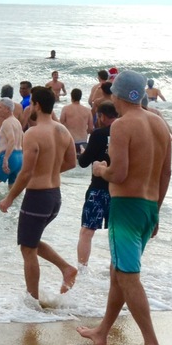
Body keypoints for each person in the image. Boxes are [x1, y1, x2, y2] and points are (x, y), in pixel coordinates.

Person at [78, 70, 171, 345]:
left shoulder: (121, 126)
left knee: (128, 276)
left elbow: (118, 173)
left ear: (116, 95)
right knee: (118, 272)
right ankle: (102, 331)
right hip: (147, 207)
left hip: (126, 209)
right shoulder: (158, 123)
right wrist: (156, 211)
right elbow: (165, 172)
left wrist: (99, 170)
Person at [0, 86, 79, 300]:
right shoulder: (63, 130)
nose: (29, 107)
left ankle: (32, 300)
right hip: (54, 197)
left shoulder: (33, 133)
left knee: (27, 249)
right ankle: (66, 268)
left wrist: (9, 198)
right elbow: (72, 162)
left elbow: (26, 173)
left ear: (38, 105)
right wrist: (50, 170)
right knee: (30, 241)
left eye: (31, 102)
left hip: (38, 197)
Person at [76, 103, 118, 266]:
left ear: (102, 116)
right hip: (120, 190)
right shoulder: (126, 132)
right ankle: (116, 268)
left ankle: (82, 269)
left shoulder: (98, 134)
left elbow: (85, 162)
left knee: (87, 230)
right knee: (117, 233)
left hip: (99, 189)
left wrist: (81, 154)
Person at [0, 112, 25, 193]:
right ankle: (14, 206)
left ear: (6, 109)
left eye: (0, 107)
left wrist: (6, 159)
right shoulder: (17, 122)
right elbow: (23, 137)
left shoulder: (7, 122)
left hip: (10, 157)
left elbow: (12, 140)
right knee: (13, 190)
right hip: (19, 156)